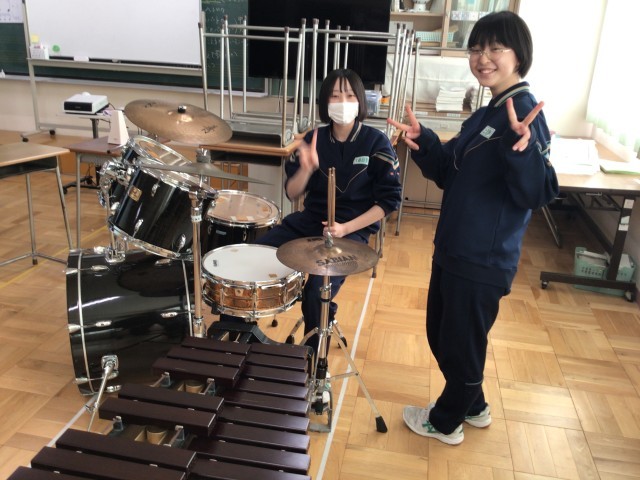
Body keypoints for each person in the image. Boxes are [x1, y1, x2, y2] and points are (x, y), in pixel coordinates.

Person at [388, 11, 559, 445]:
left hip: (482, 257)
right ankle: (475, 405)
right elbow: (451, 170)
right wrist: (424, 141)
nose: (483, 58)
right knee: (446, 334)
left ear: (519, 56)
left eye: (495, 48)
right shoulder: (489, 111)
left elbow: (538, 192)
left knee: (458, 344)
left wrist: (523, 153)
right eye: (476, 48)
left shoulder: (523, 113)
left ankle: (446, 421)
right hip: (456, 247)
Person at [221, 68, 402, 381]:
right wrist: (306, 169)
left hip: (351, 230)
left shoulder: (376, 142)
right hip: (308, 221)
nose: (342, 102)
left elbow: (388, 202)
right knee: (252, 258)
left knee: (318, 291)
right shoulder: (312, 138)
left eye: (349, 95)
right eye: (335, 96)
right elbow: (292, 192)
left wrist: (345, 229)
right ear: (324, 102)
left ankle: (314, 364)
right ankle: (237, 340)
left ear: (360, 101)